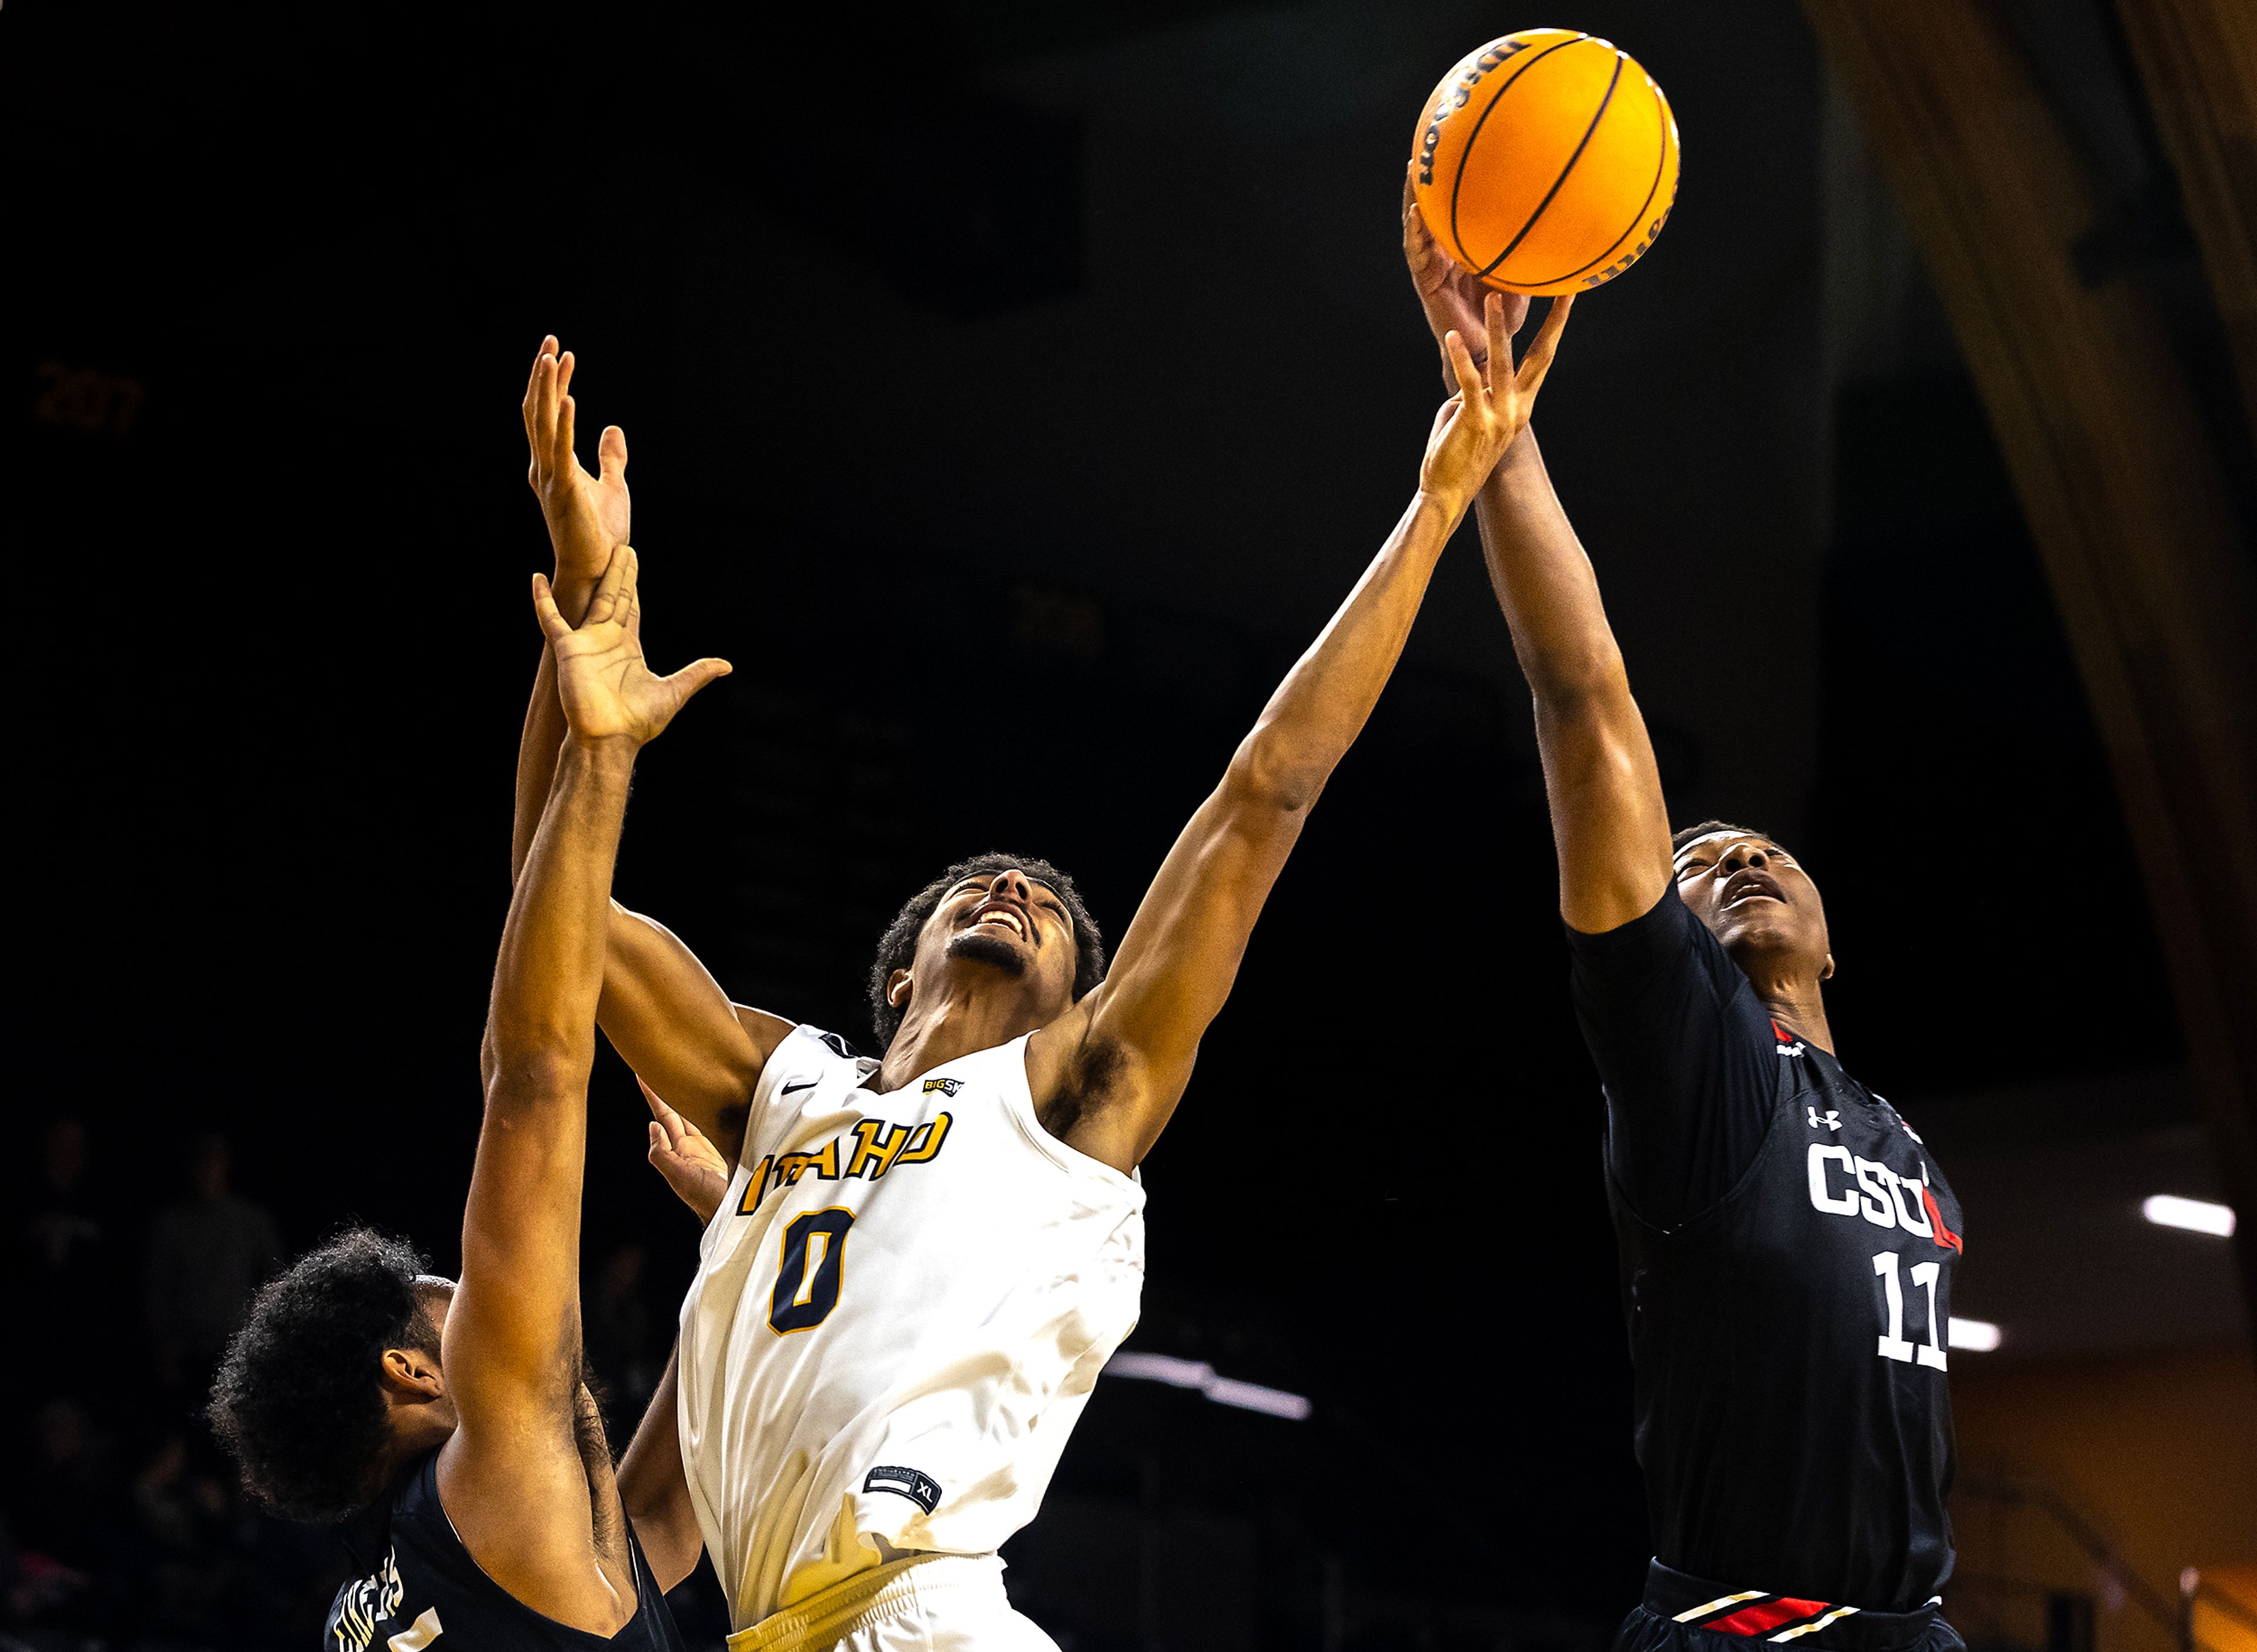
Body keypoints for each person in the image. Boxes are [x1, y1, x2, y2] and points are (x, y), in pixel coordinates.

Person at [514, 303, 1568, 1651]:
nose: (1015, 886)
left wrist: (1431, 508)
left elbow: (1265, 796)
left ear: (1078, 997)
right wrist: (586, 618)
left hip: (930, 1615)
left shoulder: (1065, 1099)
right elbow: (554, 916)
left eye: (1053, 906)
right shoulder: (779, 1089)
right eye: (980, 879)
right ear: (895, 975)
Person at [1401, 174, 1965, 1652]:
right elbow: (1585, 700)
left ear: (1834, 938)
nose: (1732, 859)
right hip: (1739, 1625)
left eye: (1761, 846)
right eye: (1696, 859)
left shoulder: (1897, 1136)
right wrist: (1501, 445)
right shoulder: (1692, 1052)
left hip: (1908, 1628)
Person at [209, 545, 724, 1649]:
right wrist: (599, 753)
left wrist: (738, 1238)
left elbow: (666, 1514)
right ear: (410, 1368)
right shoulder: (494, 1468)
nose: (478, 1297)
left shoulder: (413, 1578)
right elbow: (533, 1081)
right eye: (442, 1297)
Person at [146, 1130, 283, 1396]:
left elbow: (276, 1281)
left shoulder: (251, 1221)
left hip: (240, 1353)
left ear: (226, 1163)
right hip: (188, 1353)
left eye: (214, 1159)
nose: (208, 1168)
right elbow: (156, 1291)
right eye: (201, 1160)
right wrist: (164, 1348)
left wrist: (266, 1344)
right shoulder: (171, 1225)